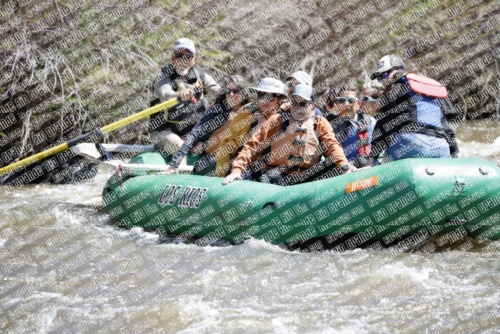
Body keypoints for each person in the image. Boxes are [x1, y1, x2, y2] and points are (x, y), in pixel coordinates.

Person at [223, 84, 355, 186]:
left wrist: (344, 165)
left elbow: (332, 145)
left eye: (303, 103)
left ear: (313, 105)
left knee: (336, 167)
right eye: (294, 103)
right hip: (276, 174)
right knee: (269, 176)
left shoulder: (320, 122)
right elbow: (252, 146)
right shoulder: (277, 120)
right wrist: (237, 169)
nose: (297, 107)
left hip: (306, 177)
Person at [162, 75, 259, 177]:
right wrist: (174, 165)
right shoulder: (215, 110)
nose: (231, 94)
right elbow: (193, 136)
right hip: (211, 160)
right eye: (227, 91)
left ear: (243, 93)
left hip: (239, 161)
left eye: (235, 91)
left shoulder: (252, 112)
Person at [369, 54, 456, 161]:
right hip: (442, 147)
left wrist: (372, 158)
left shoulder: (396, 88)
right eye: (380, 78)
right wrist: (454, 151)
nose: (383, 81)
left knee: (386, 154)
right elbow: (445, 125)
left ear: (396, 70)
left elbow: (384, 126)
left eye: (384, 75)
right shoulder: (429, 88)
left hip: (411, 146)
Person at [149, 38, 221, 155]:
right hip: (162, 131)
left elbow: (219, 91)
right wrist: (178, 94)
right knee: (180, 147)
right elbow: (165, 95)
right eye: (179, 55)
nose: (183, 60)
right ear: (173, 57)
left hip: (191, 132)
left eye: (188, 57)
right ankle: (176, 171)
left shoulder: (201, 77)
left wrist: (234, 93)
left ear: (193, 60)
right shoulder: (162, 76)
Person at [323, 84, 376, 168]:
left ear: (358, 103)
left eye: (351, 100)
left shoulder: (371, 122)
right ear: (337, 103)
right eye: (342, 100)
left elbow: (378, 148)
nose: (346, 104)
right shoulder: (328, 125)